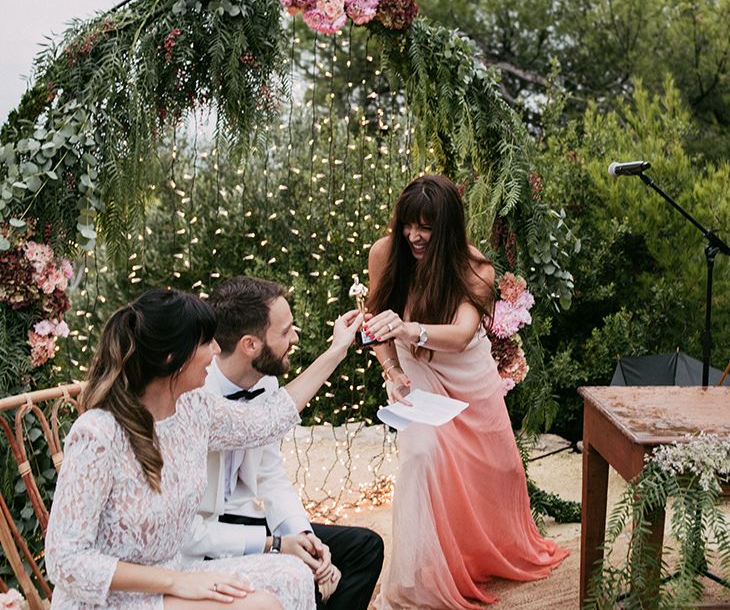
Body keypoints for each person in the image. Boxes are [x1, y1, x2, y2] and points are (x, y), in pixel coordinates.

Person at [45, 288, 363, 609]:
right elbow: (65, 561)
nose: (215, 350)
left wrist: (337, 350)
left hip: (177, 574)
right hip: (109, 599)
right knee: (259, 605)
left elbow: (267, 419)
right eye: (206, 342)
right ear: (173, 357)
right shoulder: (98, 435)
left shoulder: (193, 407)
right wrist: (179, 583)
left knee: (292, 573)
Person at [365, 175, 568, 609]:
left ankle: (479, 553)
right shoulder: (384, 254)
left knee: (499, 470)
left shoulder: (475, 269)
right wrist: (391, 367)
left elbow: (459, 334)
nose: (414, 236)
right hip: (412, 369)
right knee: (420, 456)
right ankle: (413, 581)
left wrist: (408, 328)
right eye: (408, 225)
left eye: (426, 228)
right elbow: (375, 321)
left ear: (448, 230)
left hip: (467, 372)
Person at [181, 276, 384, 610]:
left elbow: (270, 475)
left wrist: (303, 537)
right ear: (250, 345)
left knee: (364, 547)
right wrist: (277, 545)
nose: (295, 337)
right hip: (203, 538)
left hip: (247, 517)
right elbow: (265, 423)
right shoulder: (195, 396)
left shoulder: (267, 382)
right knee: (294, 571)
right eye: (285, 330)